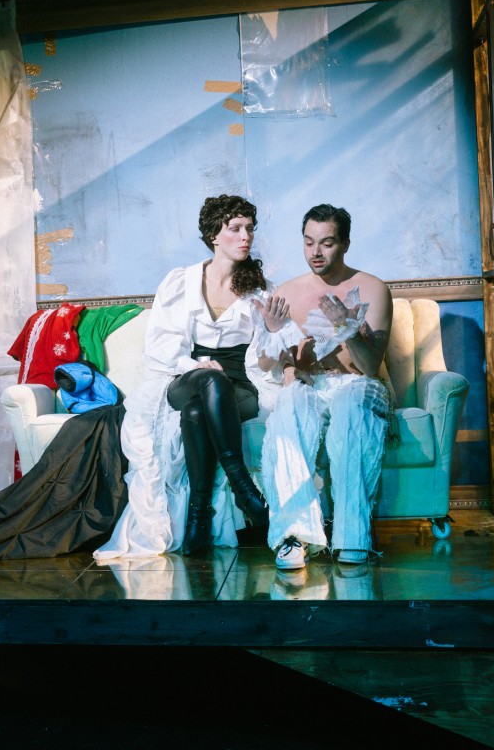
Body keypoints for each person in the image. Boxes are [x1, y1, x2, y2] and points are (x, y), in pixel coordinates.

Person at [94, 194, 281, 560]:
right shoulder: (181, 281)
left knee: (197, 412)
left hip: (239, 384)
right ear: (214, 235)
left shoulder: (260, 288)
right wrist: (196, 366)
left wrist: (274, 330)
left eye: (250, 229)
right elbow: (161, 346)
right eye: (235, 228)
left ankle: (198, 517)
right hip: (187, 377)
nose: (246, 236)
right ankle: (244, 489)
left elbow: (267, 356)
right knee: (209, 382)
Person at [252, 203, 394, 570]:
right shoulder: (288, 291)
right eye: (309, 242)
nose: (316, 252)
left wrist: (348, 327)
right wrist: (279, 349)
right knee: (289, 408)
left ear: (345, 244)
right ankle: (294, 536)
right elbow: (268, 364)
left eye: (327, 243)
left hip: (358, 384)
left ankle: (353, 537)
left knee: (350, 406)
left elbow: (370, 366)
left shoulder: (373, 288)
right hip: (312, 384)